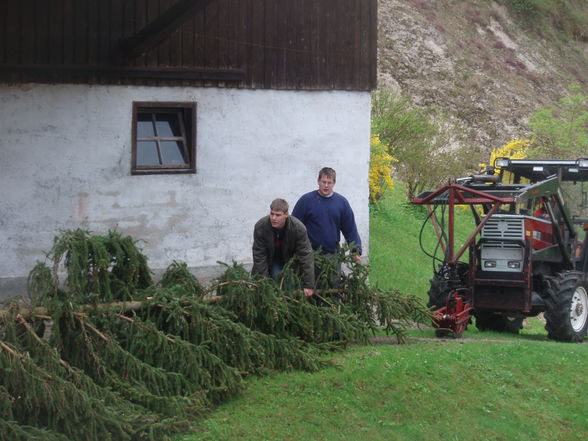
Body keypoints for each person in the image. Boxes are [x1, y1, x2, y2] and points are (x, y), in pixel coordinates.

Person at [292, 167, 362, 284]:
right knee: (309, 288)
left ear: (334, 183)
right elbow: (294, 226)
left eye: (329, 183)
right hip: (310, 255)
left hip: (332, 255)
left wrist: (356, 251)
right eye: (323, 182)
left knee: (332, 288)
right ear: (318, 181)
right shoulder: (306, 201)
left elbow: (350, 229)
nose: (326, 185)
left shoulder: (341, 203)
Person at [252, 198, 315, 297]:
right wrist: (263, 283)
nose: (273, 218)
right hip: (270, 261)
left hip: (291, 262)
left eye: (278, 215)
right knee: (274, 278)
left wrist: (309, 285)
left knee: (291, 287)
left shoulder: (298, 228)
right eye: (272, 214)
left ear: (286, 214)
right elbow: (259, 255)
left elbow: (306, 255)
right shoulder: (261, 226)